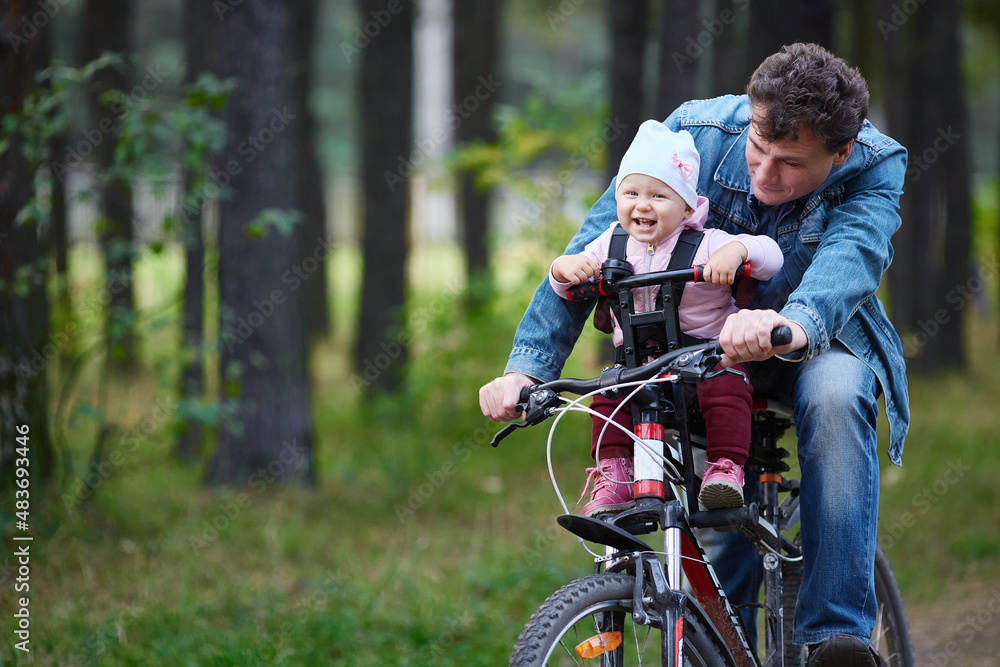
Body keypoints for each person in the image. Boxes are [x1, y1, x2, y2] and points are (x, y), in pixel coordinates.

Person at [480, 42, 908, 666]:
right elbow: (598, 246)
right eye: (758, 150)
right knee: (715, 523)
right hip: (696, 352)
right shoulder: (693, 133)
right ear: (750, 115)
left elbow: (852, 256)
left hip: (814, 341)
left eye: (790, 164)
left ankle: (834, 637)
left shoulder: (873, 164)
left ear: (838, 153)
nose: (765, 177)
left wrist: (788, 323)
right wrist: (527, 368)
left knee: (838, 394)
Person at [546, 120, 783, 517]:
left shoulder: (708, 243)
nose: (642, 204)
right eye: (632, 192)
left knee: (727, 385)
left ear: (688, 206)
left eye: (659, 195)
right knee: (606, 394)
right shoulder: (609, 243)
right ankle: (614, 474)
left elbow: (771, 256)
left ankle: (724, 471)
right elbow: (564, 285)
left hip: (703, 360)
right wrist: (562, 269)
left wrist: (740, 251)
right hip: (638, 366)